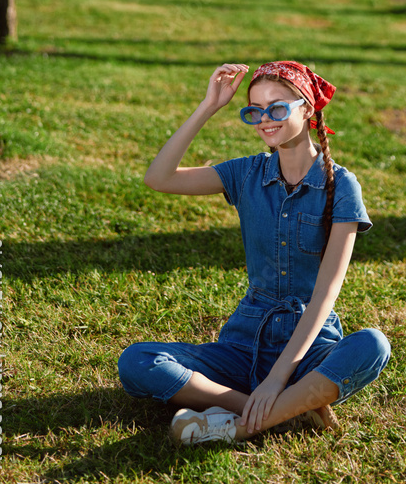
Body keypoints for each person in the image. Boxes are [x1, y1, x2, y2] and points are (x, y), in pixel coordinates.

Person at [118, 60, 391, 445]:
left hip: (309, 349)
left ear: (307, 110)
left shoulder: (341, 186)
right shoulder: (246, 174)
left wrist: (277, 378)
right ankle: (282, 411)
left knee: (373, 345)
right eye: (255, 111)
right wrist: (209, 106)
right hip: (245, 343)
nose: (265, 120)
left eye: (277, 108)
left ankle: (242, 427)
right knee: (137, 361)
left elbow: (324, 296)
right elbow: (158, 177)